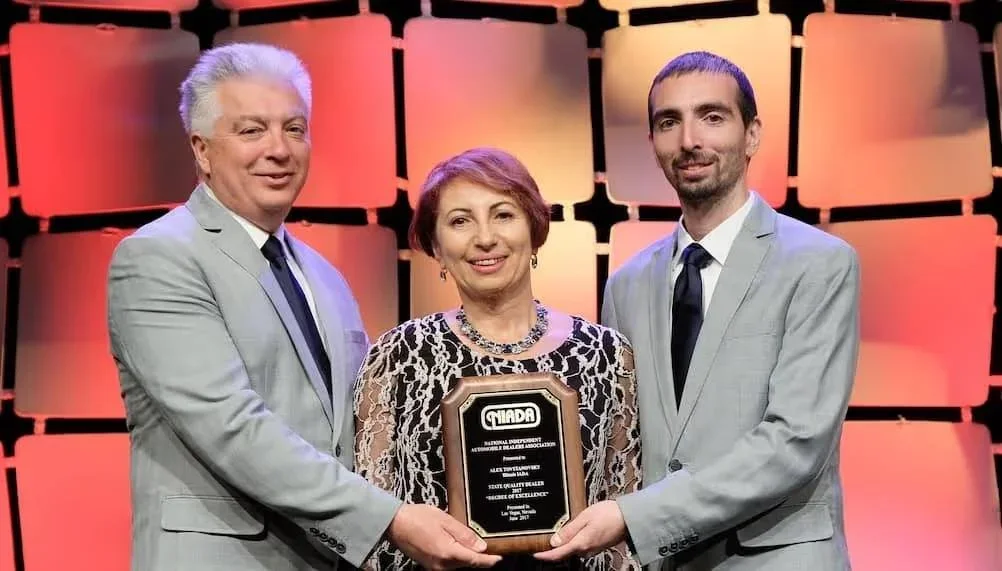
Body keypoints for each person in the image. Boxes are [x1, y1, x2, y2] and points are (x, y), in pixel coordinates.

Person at [106, 43, 500, 571]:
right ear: (202, 150)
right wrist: (391, 519)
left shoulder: (324, 277)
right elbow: (231, 427)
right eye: (252, 130)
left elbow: (365, 427)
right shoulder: (159, 258)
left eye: (294, 129)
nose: (279, 149)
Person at [535, 51, 860, 570]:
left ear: (752, 134)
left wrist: (637, 517)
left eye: (712, 116)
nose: (689, 140)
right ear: (653, 143)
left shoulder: (818, 263)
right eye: (670, 122)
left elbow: (796, 442)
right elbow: (622, 440)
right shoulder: (627, 285)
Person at [353, 147, 642, 570]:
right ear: (436, 246)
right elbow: (372, 523)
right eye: (460, 221)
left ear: (535, 229)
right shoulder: (397, 357)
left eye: (503, 215)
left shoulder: (606, 355)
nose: (485, 238)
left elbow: (625, 521)